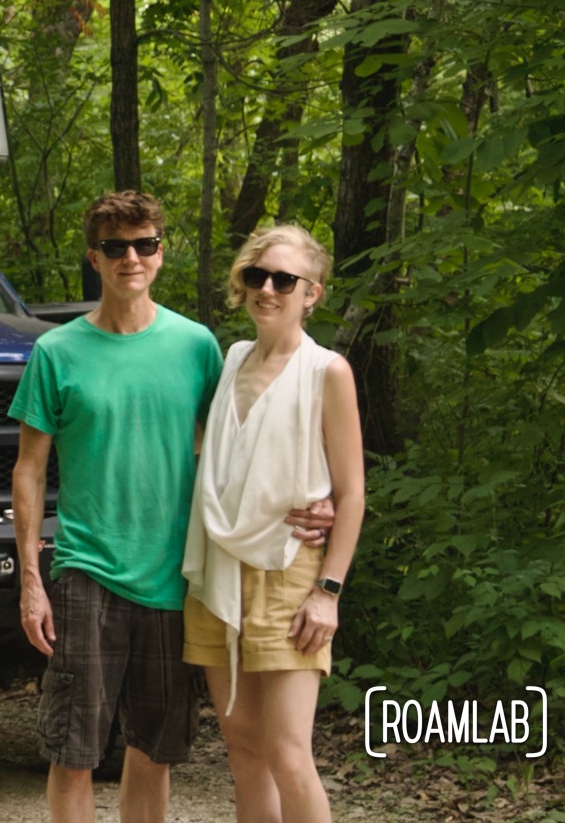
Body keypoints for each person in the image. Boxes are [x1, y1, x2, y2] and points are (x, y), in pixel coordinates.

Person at [9, 192, 331, 823]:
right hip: (87, 570)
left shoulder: (198, 347)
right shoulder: (56, 352)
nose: (131, 257)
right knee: (74, 752)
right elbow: (29, 470)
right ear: (93, 258)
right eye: (115, 247)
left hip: (179, 578)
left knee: (154, 748)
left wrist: (317, 499)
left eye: (144, 244)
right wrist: (30, 581)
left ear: (160, 252)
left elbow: (243, 444)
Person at [181, 224, 365, 823]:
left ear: (311, 292)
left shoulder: (327, 371)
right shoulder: (232, 357)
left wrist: (328, 592)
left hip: (289, 571)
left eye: (284, 279)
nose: (267, 289)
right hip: (218, 571)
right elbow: (222, 462)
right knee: (243, 751)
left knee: (289, 753)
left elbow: (352, 492)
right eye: (256, 276)